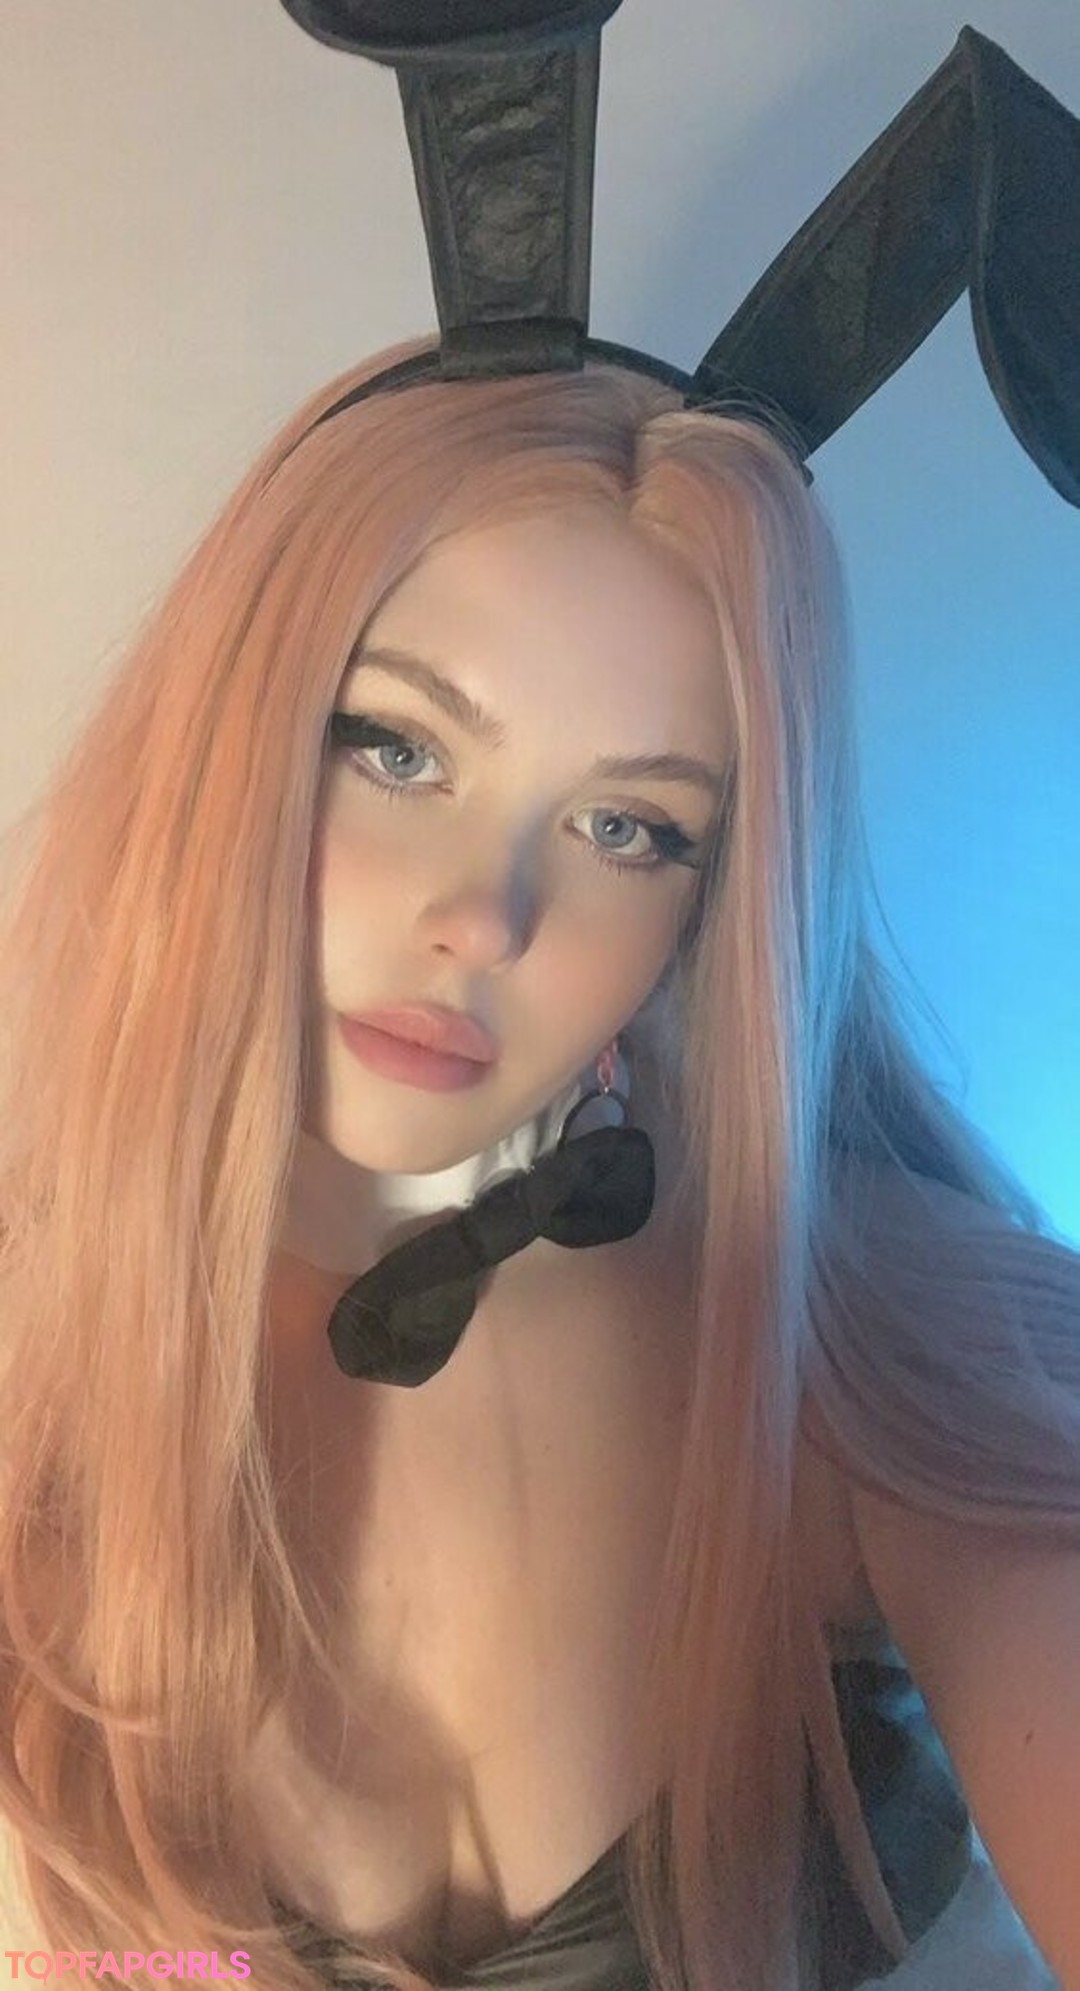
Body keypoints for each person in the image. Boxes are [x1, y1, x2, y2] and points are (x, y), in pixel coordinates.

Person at [1, 346, 1079, 1991]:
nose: (485, 918)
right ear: (229, 729)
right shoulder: (36, 1356)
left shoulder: (876, 1321)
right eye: (399, 749)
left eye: (626, 828)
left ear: (710, 906)